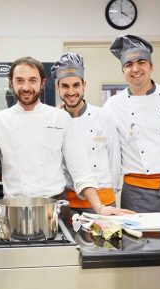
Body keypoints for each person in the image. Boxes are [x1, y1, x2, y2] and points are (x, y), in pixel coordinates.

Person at [0, 56, 132, 217]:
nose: (26, 87)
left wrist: (99, 208)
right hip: (14, 209)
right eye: (19, 80)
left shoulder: (60, 118)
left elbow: (80, 168)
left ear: (42, 82)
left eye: (32, 80)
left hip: (54, 208)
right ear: (11, 83)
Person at [103, 35, 160, 213]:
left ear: (151, 67)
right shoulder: (113, 105)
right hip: (137, 192)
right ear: (123, 71)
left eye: (141, 62)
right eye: (128, 64)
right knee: (136, 240)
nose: (135, 69)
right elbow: (110, 152)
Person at [51, 52, 121, 214]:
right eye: (65, 86)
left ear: (84, 85)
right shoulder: (54, 121)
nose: (71, 91)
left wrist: (111, 192)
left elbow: (114, 158)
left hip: (103, 201)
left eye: (76, 85)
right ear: (57, 88)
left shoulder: (103, 116)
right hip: (68, 204)